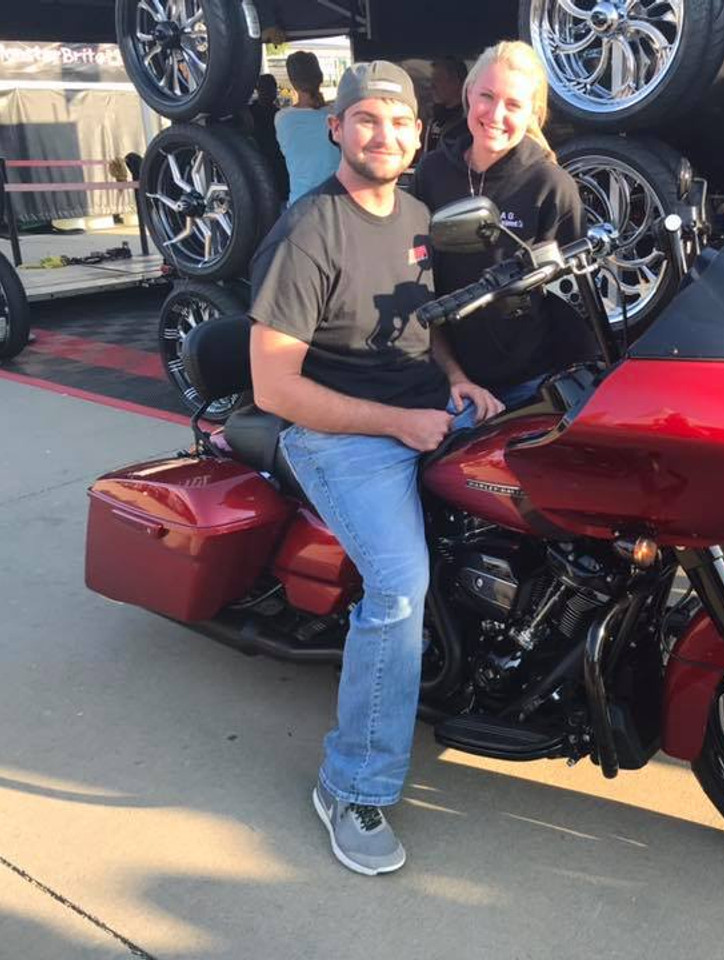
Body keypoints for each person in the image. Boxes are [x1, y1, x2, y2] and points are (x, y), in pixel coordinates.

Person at [248, 61, 502, 876]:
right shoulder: (308, 231)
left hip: (427, 408)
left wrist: (458, 378)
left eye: (397, 122)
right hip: (339, 435)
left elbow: (422, 321)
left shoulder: (418, 213)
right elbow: (275, 387)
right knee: (397, 588)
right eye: (365, 120)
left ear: (419, 135)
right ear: (336, 129)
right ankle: (353, 785)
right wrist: (401, 420)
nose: (383, 135)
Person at [414, 40, 595, 408]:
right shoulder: (431, 172)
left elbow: (573, 303)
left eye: (513, 104)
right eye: (486, 96)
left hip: (530, 386)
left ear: (533, 112)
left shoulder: (550, 185)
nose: (495, 115)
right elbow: (418, 280)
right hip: (447, 381)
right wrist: (452, 376)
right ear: (468, 93)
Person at [275, 51, 343, 207]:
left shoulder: (282, 119)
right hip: (336, 204)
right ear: (320, 77)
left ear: (292, 82)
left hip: (299, 205)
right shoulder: (337, 115)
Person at [246, 73, 290, 202]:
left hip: (278, 164)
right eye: (265, 88)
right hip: (258, 162)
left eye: (271, 88)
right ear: (258, 90)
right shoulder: (248, 114)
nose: (269, 92)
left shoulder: (279, 114)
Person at [423, 57, 468, 154]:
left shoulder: (467, 126)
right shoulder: (433, 118)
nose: (432, 86)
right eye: (432, 80)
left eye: (438, 79)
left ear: (456, 83)